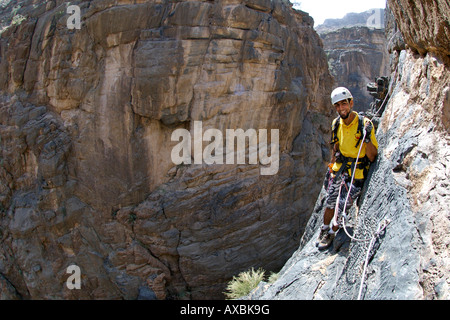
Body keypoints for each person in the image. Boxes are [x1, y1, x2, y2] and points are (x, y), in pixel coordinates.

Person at [317, 87, 379, 250]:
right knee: (330, 202)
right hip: (339, 169)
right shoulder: (336, 123)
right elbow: (335, 147)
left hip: (356, 172)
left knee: (342, 205)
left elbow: (372, 156)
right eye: (337, 106)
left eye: (343, 104)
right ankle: (324, 228)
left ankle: (332, 231)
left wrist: (366, 138)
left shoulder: (364, 124)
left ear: (351, 103)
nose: (340, 108)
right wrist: (331, 167)